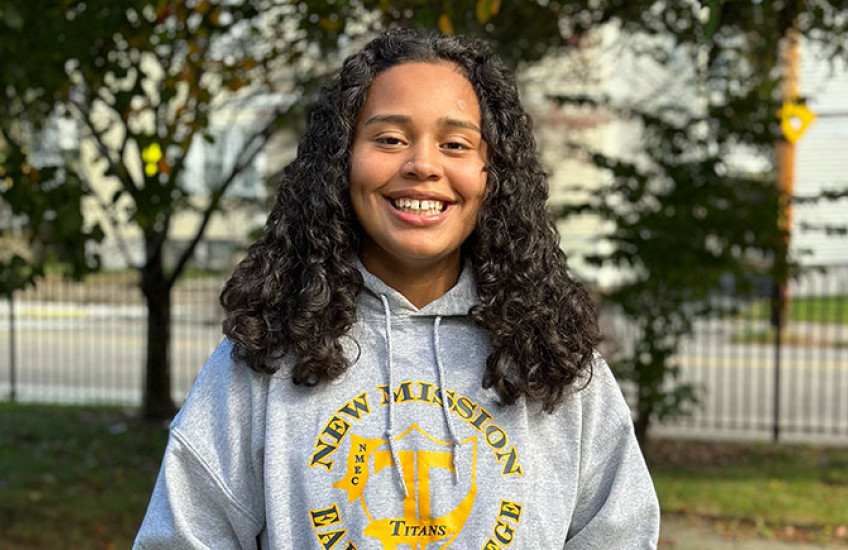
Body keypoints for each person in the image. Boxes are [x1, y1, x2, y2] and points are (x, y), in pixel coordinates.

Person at [134, 29, 660, 549]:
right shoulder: (265, 355)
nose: (423, 166)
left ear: (493, 173)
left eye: (455, 144)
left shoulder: (553, 357)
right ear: (341, 160)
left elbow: (619, 535)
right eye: (389, 139)